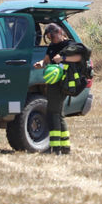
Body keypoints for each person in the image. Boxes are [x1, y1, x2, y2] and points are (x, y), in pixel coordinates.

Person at [33, 24, 86, 154]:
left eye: (53, 36)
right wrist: (41, 64)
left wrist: (63, 58)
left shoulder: (69, 45)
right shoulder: (52, 47)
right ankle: (64, 147)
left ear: (60, 32)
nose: (52, 39)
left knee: (54, 113)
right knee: (58, 113)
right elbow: (46, 60)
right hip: (53, 83)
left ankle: (56, 148)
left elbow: (79, 57)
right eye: (49, 37)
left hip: (65, 83)